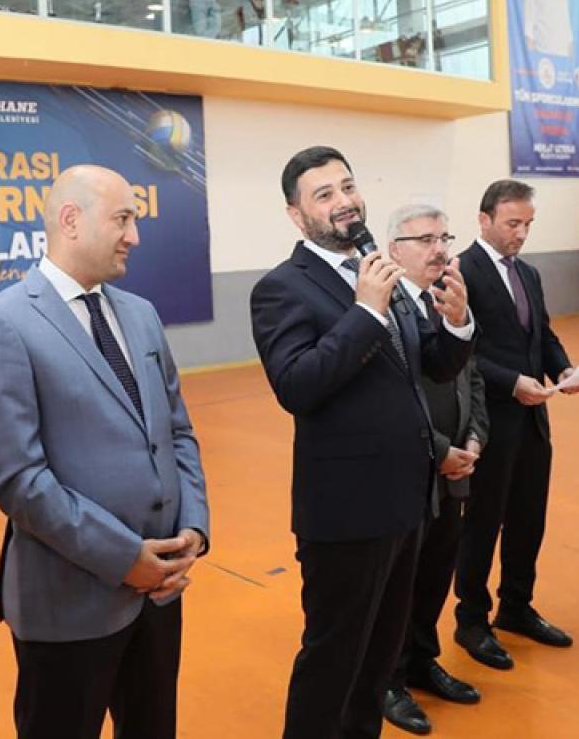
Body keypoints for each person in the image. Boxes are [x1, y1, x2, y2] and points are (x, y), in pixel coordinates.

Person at [0, 165, 209, 739]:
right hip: (69, 605)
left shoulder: (141, 315)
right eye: (122, 219)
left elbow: (176, 430)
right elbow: (18, 480)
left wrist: (193, 528)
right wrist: (126, 559)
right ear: (71, 220)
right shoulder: (0, 325)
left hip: (160, 594)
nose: (134, 236)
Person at [250, 146, 474, 739]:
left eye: (347, 186)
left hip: (407, 503)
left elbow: (429, 365)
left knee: (377, 662)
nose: (344, 201)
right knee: (334, 661)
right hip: (345, 513)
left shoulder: (377, 270)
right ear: (297, 215)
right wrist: (366, 313)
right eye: (324, 194)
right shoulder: (282, 288)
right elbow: (297, 386)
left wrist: (457, 322)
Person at [453, 179, 579, 671]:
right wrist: (511, 383)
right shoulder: (460, 272)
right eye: (513, 223)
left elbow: (542, 335)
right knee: (482, 523)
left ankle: (516, 605)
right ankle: (471, 619)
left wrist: (563, 370)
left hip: (533, 419)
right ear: (484, 219)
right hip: (487, 422)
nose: (522, 233)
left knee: (529, 518)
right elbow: (462, 352)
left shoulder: (527, 273)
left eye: (528, 224)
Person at [380, 205, 488, 736]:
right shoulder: (384, 310)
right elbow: (393, 398)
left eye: (444, 237)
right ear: (393, 250)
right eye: (425, 239)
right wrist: (440, 449)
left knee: (436, 573)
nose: (440, 248)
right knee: (399, 583)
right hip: (411, 472)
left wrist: (475, 436)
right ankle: (390, 679)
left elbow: (472, 377)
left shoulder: (449, 300)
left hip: (455, 472)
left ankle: (423, 660)